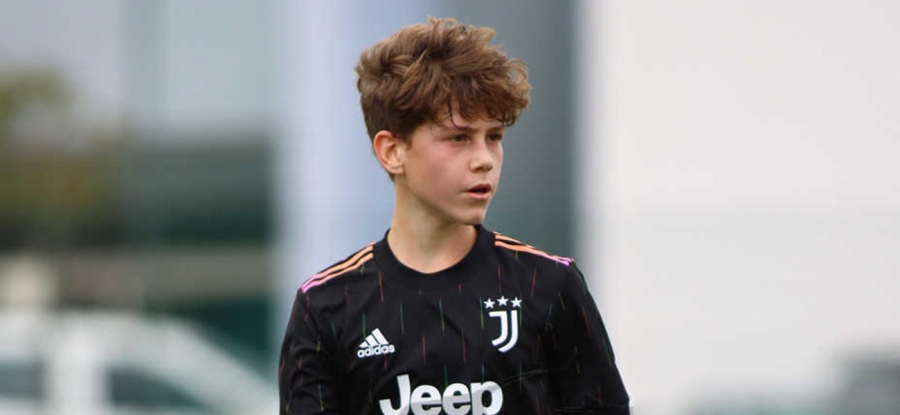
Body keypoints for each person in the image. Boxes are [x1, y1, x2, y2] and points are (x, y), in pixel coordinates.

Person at [279, 17, 630, 415]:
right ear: (392, 151)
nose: (484, 160)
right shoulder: (326, 307)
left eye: (493, 137)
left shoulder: (548, 285)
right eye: (459, 137)